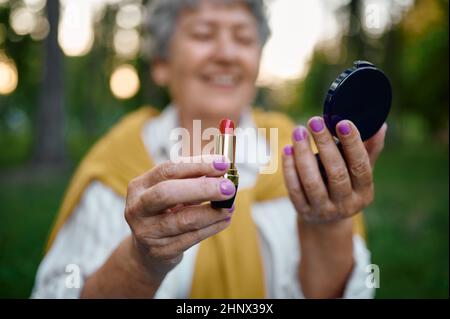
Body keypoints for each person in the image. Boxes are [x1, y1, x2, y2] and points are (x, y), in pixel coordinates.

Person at [31, 0, 387, 299]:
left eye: (244, 38)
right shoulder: (116, 162)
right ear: (161, 64)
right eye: (203, 34)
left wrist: (326, 226)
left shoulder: (303, 159)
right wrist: (140, 261)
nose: (227, 54)